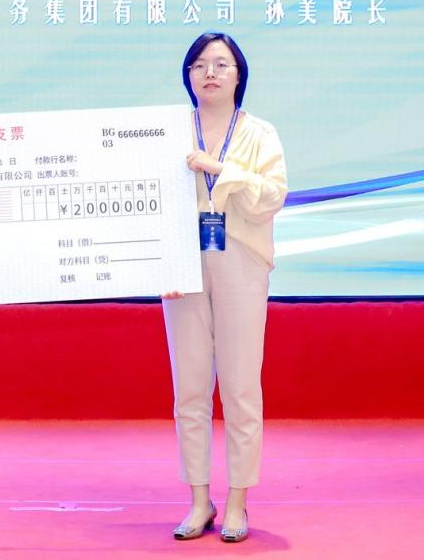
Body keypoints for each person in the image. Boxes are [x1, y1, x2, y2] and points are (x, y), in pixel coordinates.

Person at [162, 32, 287, 544]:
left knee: (240, 386)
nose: (209, 73)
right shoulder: (168, 133)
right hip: (182, 265)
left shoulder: (260, 133)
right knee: (190, 388)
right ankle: (199, 500)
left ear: (239, 75)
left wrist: (221, 170)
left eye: (221, 64)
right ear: (188, 76)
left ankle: (237, 500)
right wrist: (159, 266)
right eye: (199, 65)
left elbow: (272, 196)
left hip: (241, 260)